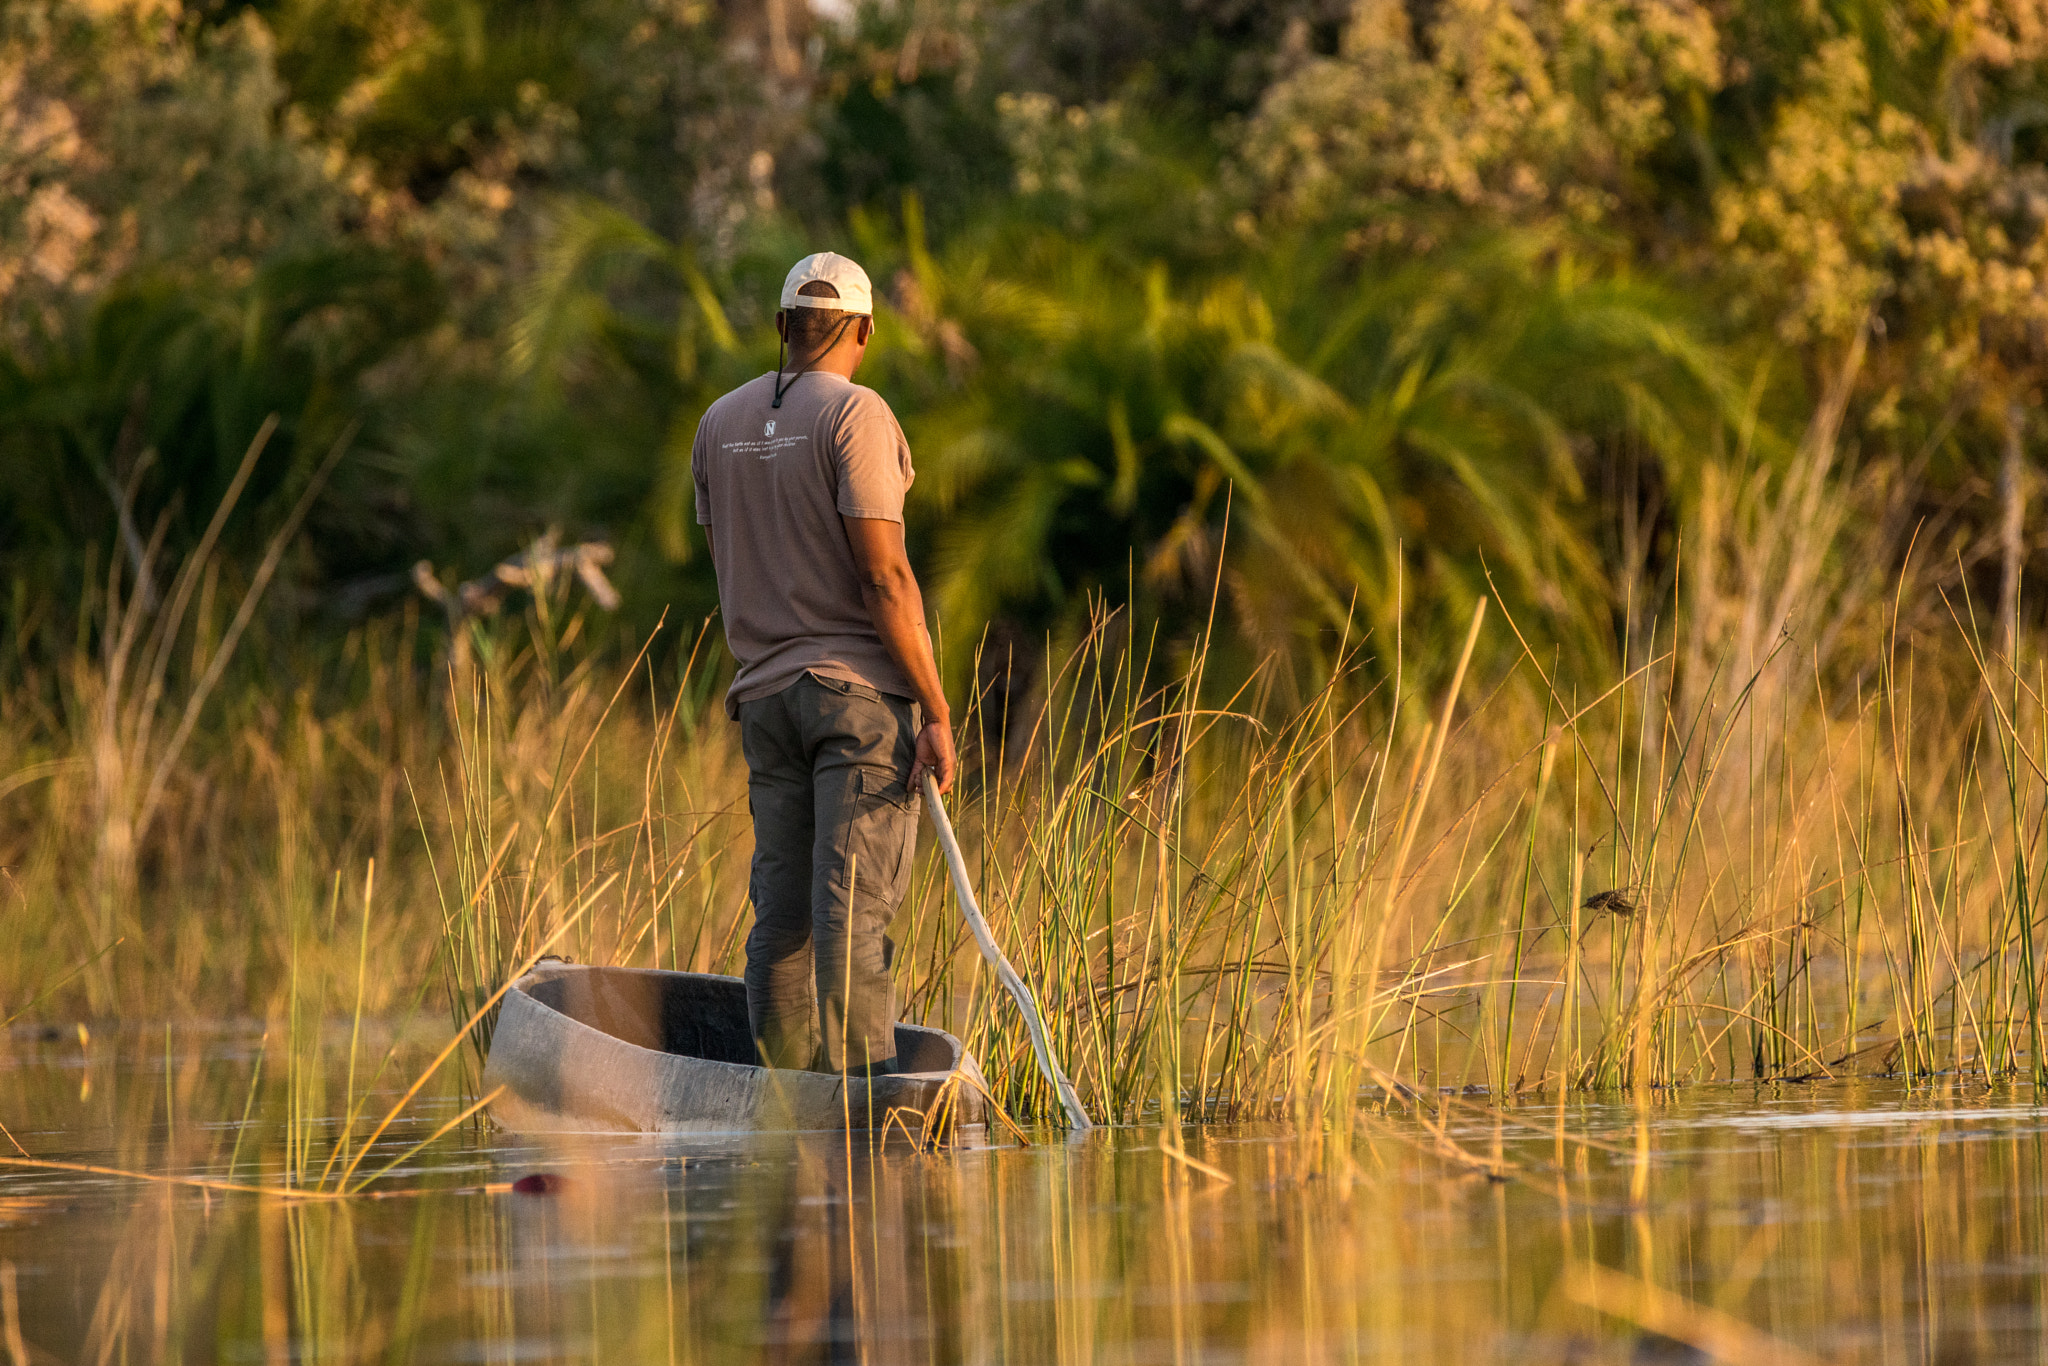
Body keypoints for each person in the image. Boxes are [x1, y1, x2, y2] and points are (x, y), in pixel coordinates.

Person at [691, 251, 956, 1076]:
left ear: (780, 327)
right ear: (867, 330)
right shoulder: (858, 415)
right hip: (857, 703)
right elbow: (883, 575)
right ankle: (865, 1112)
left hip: (764, 700)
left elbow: (734, 552)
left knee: (783, 918)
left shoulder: (717, 424)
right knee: (851, 915)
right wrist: (938, 711)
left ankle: (785, 1117)